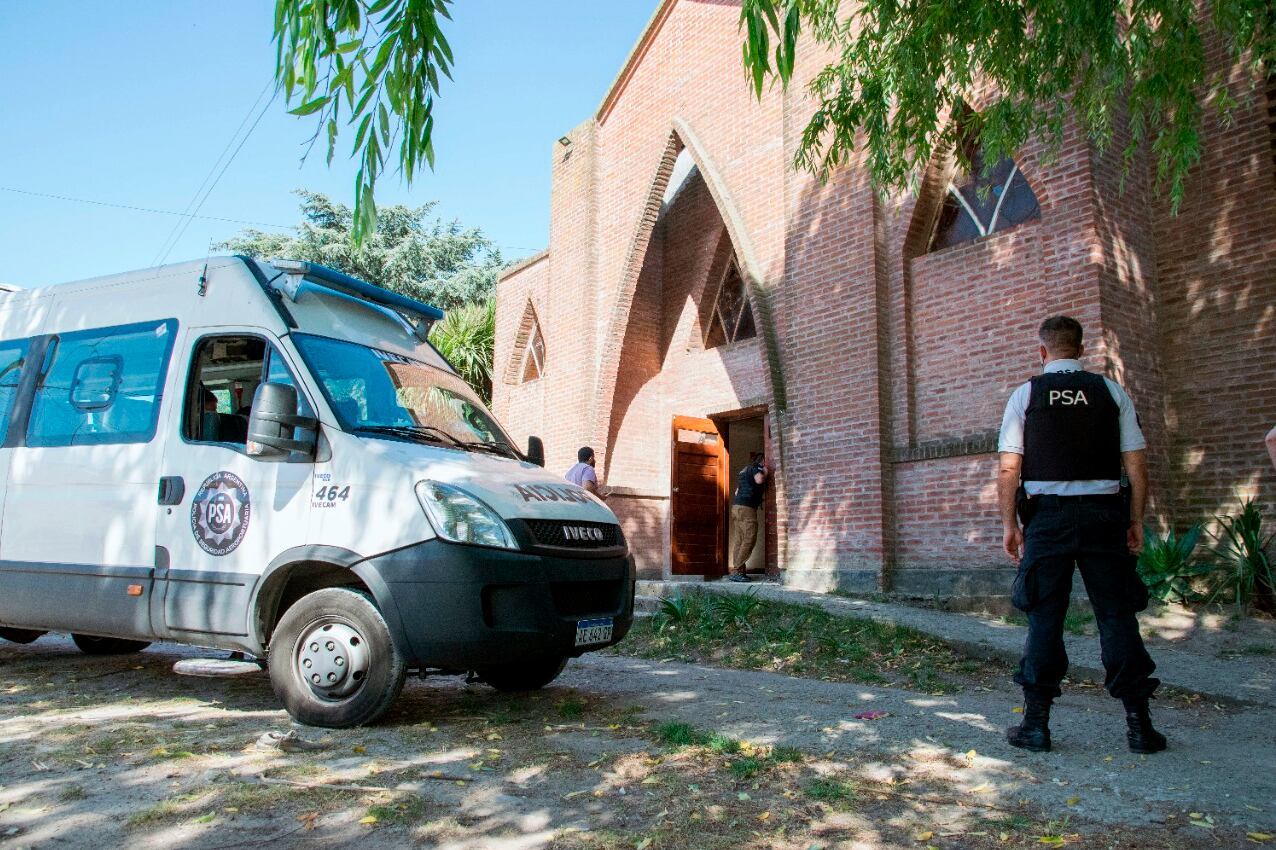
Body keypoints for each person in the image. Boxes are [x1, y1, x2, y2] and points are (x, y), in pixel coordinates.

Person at [997, 316, 1165, 754]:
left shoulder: (1026, 394)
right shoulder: (1110, 392)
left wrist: (1008, 526)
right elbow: (1137, 464)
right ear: (1081, 348)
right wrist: (1135, 519)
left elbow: (1009, 469)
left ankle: (1036, 726)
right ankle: (1140, 727)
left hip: (1047, 520)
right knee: (1116, 615)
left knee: (1044, 617)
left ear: (1043, 352)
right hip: (1105, 517)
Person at [728, 452, 770, 583]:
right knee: (749, 538)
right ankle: (737, 570)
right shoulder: (757, 467)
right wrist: (766, 472)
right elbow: (759, 480)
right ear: (762, 460)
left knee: (740, 539)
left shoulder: (743, 471)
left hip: (736, 507)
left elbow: (736, 491)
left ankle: (739, 571)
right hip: (747, 507)